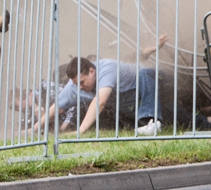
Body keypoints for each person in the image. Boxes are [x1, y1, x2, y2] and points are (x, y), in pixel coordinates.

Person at [37, 36, 169, 136]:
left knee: (144, 73)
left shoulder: (107, 67)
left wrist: (81, 130)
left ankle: (151, 121)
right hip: (132, 102)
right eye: (77, 85)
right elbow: (56, 108)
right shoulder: (76, 85)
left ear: (92, 71)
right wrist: (32, 130)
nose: (79, 88)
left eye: (82, 83)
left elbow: (100, 101)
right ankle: (141, 125)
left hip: (155, 85)